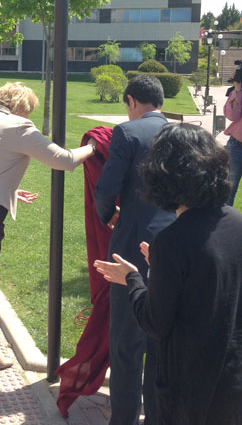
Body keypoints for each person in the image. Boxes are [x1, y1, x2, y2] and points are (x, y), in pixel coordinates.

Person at [0, 81, 97, 402]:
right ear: (22, 105)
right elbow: (65, 160)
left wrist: (11, 190)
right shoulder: (18, 126)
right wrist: (95, 147)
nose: (31, 114)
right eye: (31, 109)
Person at [94, 123, 242, 425]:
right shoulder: (237, 222)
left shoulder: (173, 241)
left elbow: (155, 321)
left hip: (188, 388)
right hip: (232, 378)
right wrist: (162, 267)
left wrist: (133, 278)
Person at [94, 74, 175, 425]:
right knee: (163, 340)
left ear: (130, 101)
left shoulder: (127, 133)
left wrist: (108, 214)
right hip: (177, 241)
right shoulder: (184, 134)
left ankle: (124, 418)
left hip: (131, 244)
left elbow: (105, 189)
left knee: (127, 342)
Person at [223, 75, 242, 205]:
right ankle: (224, 224)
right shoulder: (237, 92)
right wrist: (238, 91)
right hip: (236, 146)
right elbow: (232, 116)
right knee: (227, 191)